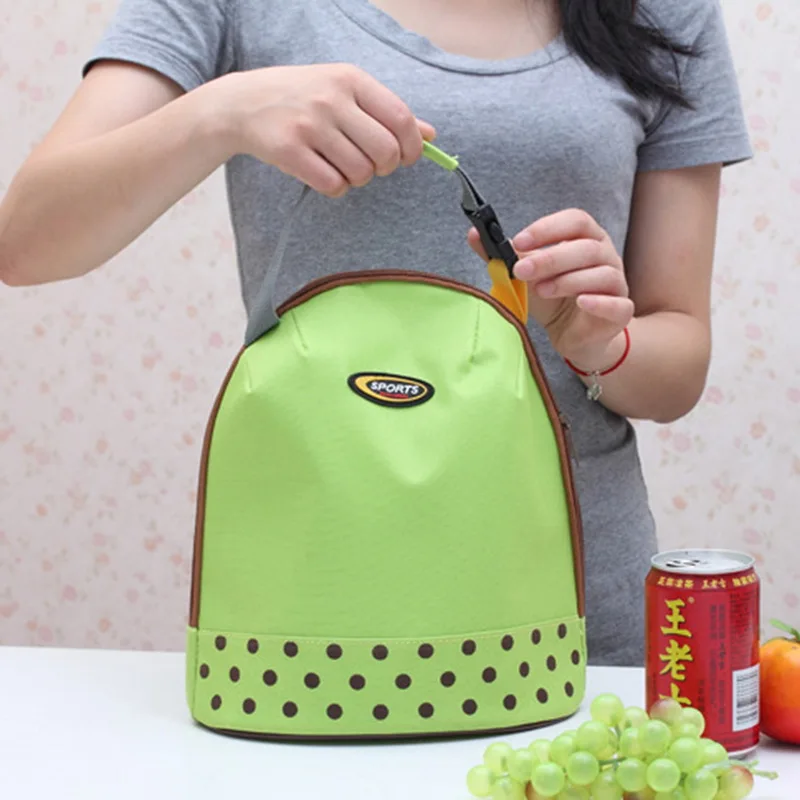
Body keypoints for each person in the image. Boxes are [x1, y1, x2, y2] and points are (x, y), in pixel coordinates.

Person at [0, 0, 751, 666]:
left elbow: (679, 362)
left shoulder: (668, 11)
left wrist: (603, 346)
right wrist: (223, 112)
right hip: (308, 620)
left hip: (574, 623)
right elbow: (27, 243)